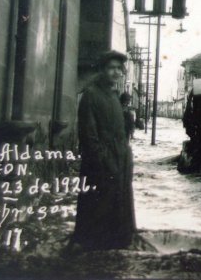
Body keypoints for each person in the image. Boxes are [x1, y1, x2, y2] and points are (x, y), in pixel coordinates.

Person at [72, 50, 136, 250]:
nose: (116, 73)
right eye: (111, 68)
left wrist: (125, 159)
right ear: (101, 70)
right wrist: (104, 160)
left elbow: (120, 133)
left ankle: (114, 248)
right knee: (97, 208)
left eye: (119, 68)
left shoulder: (113, 96)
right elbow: (89, 135)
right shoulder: (91, 95)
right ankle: (91, 252)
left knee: (118, 209)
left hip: (119, 161)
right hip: (99, 165)